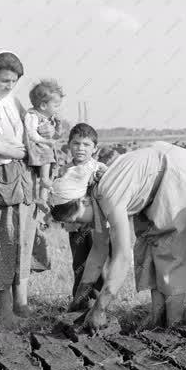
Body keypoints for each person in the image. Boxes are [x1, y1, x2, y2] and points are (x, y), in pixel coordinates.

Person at [49, 142, 186, 330]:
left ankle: (174, 327)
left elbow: (122, 257)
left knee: (173, 255)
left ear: (83, 200)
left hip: (185, 181)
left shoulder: (108, 195)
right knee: (152, 247)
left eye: (76, 219)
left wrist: (100, 308)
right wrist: (78, 300)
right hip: (163, 186)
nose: (77, 226)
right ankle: (157, 320)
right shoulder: (95, 198)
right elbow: (98, 252)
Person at [0, 51, 55, 326]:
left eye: (14, 81)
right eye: (4, 80)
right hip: (0, 177)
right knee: (2, 242)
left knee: (23, 239)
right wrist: (30, 150)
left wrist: (44, 134)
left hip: (21, 175)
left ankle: (22, 305)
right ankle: (5, 313)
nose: (9, 85)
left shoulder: (11, 101)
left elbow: (32, 130)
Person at [54, 123, 109, 300]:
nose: (80, 148)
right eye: (76, 143)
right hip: (75, 227)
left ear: (95, 148)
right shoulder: (64, 171)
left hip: (97, 226)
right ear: (69, 145)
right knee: (79, 263)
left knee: (100, 262)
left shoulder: (99, 169)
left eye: (86, 145)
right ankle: (80, 301)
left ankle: (100, 301)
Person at [24, 79, 64, 208]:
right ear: (43, 106)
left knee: (49, 169)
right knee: (45, 175)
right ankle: (45, 181)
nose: (58, 109)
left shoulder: (48, 119)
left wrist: (58, 126)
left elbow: (56, 136)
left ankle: (42, 199)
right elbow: (31, 134)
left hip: (43, 149)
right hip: (36, 148)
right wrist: (46, 141)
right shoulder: (33, 116)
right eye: (56, 105)